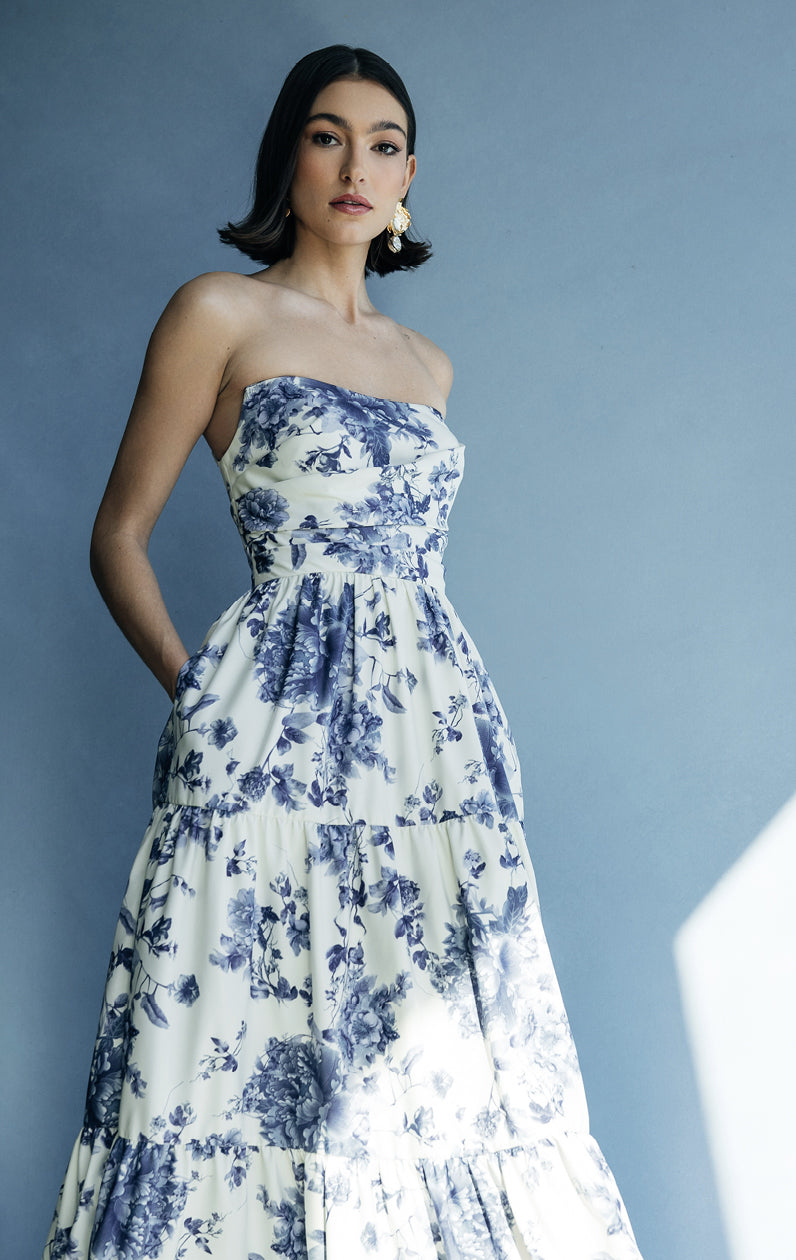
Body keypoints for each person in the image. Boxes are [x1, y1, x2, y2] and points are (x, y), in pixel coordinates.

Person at [44, 44, 644, 1260]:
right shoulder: (221, 311)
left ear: (408, 175)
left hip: (433, 759)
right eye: (327, 135)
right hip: (267, 749)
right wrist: (199, 699)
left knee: (436, 1069)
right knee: (239, 1053)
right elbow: (118, 534)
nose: (354, 163)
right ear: (290, 159)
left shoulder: (429, 370)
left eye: (381, 142)